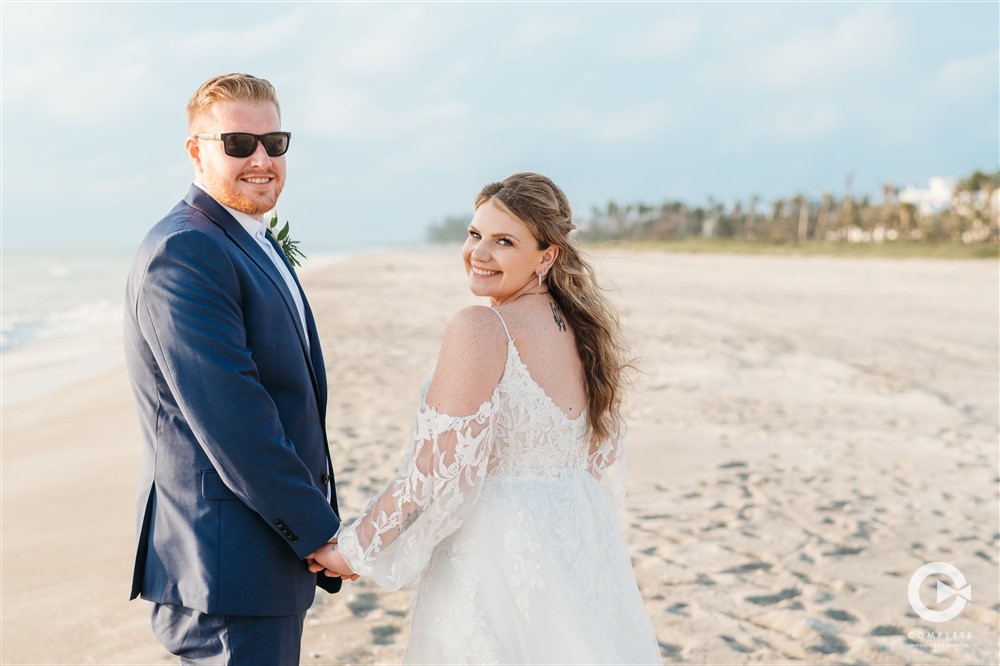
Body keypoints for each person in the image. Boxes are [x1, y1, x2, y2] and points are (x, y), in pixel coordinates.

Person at [310, 172, 661, 664]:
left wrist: (352, 550)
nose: (478, 253)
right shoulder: (583, 332)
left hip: (497, 548)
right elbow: (596, 461)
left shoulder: (481, 327)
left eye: (504, 241)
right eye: (475, 234)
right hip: (574, 539)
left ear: (547, 256)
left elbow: (434, 471)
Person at [123, 73, 352, 665]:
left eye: (274, 143)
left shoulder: (249, 238)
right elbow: (234, 417)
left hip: (261, 559)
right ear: (197, 151)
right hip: (225, 566)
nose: (261, 159)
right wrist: (318, 532)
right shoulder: (185, 252)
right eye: (238, 144)